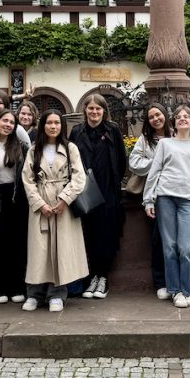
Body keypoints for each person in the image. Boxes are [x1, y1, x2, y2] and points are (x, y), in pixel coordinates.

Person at [21, 110, 88, 312]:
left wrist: (64, 200)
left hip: (62, 206)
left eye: (57, 122)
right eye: (49, 122)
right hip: (41, 205)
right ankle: (34, 294)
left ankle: (57, 294)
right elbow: (27, 179)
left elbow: (79, 178)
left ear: (62, 125)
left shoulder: (70, 148)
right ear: (43, 126)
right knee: (39, 251)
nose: (53, 126)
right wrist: (40, 204)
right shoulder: (34, 149)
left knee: (61, 250)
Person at [143, 105, 190, 308]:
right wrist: (148, 200)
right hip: (166, 198)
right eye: (179, 116)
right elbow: (154, 172)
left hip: (189, 200)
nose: (182, 119)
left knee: (187, 247)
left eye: (186, 116)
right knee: (169, 247)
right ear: (174, 122)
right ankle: (175, 291)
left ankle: (187, 290)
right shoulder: (165, 144)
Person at [69, 94, 127, 299]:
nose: (94, 112)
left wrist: (112, 183)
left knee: (106, 235)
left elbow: (122, 160)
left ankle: (103, 277)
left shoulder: (112, 130)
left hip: (107, 191)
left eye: (98, 109)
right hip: (84, 193)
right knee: (88, 235)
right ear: (85, 110)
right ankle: (91, 277)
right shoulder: (77, 132)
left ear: (104, 111)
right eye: (91, 109)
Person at [0, 109, 30, 304]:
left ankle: (16, 286)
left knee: (16, 244)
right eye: (4, 121)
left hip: (16, 198)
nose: (8, 125)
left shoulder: (21, 147)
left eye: (12, 122)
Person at [128, 104, 172, 299]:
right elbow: (133, 162)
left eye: (158, 114)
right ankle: (161, 282)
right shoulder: (144, 140)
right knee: (158, 240)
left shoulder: (177, 135)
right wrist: (156, 163)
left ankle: (177, 280)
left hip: (177, 194)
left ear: (165, 115)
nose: (156, 119)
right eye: (151, 117)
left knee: (178, 242)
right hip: (154, 196)